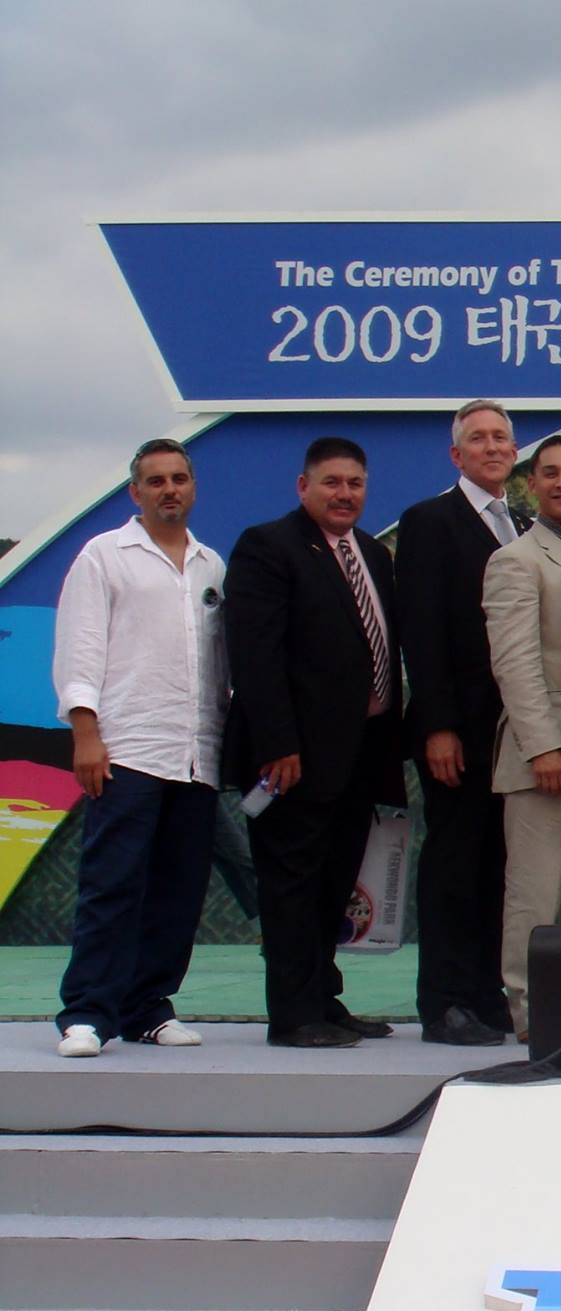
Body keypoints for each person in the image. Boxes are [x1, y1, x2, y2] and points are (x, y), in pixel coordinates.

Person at [224, 437, 408, 1048]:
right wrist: (278, 743)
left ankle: (324, 1001)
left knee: (335, 883)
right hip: (293, 758)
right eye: (332, 482)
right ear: (303, 487)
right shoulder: (267, 547)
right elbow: (255, 656)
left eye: (355, 483)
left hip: (360, 754)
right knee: (291, 885)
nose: (345, 494)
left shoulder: (374, 557)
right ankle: (293, 1014)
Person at [50, 438, 226, 1057]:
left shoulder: (210, 565)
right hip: (127, 748)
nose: (169, 489)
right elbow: (79, 648)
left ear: (193, 487)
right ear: (136, 492)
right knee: (112, 886)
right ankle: (87, 1012)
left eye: (179, 478)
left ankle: (147, 1007)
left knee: (178, 891)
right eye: (156, 481)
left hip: (196, 752)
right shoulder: (105, 556)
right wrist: (86, 733)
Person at [396, 399, 524, 1046]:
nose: (492, 446)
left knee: (497, 866)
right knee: (453, 863)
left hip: (515, 732)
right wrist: (437, 725)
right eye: (479, 438)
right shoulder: (429, 522)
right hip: (458, 730)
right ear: (457, 455)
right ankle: (443, 1000)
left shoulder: (522, 525)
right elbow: (421, 630)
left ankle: (484, 994)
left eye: (502, 437)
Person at [482, 433, 561, 1044]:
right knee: (535, 896)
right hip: (545, 756)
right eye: (550, 473)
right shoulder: (515, 560)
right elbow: (515, 663)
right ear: (529, 485)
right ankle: (532, 1016)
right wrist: (542, 747)